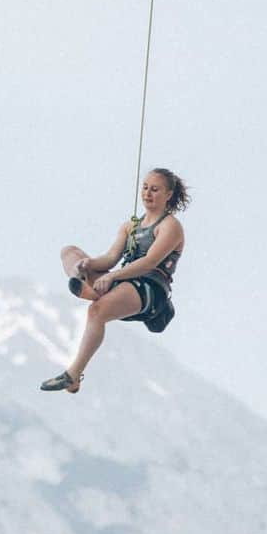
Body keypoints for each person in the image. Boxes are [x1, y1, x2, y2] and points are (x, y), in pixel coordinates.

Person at [40, 168, 189, 393]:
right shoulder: (130, 226)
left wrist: (112, 276)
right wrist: (88, 264)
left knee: (96, 311)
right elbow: (110, 259)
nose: (148, 194)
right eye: (145, 188)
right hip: (122, 282)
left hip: (149, 290)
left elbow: (149, 262)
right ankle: (82, 284)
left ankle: (73, 376)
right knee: (70, 251)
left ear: (168, 195)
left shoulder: (170, 226)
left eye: (155, 190)